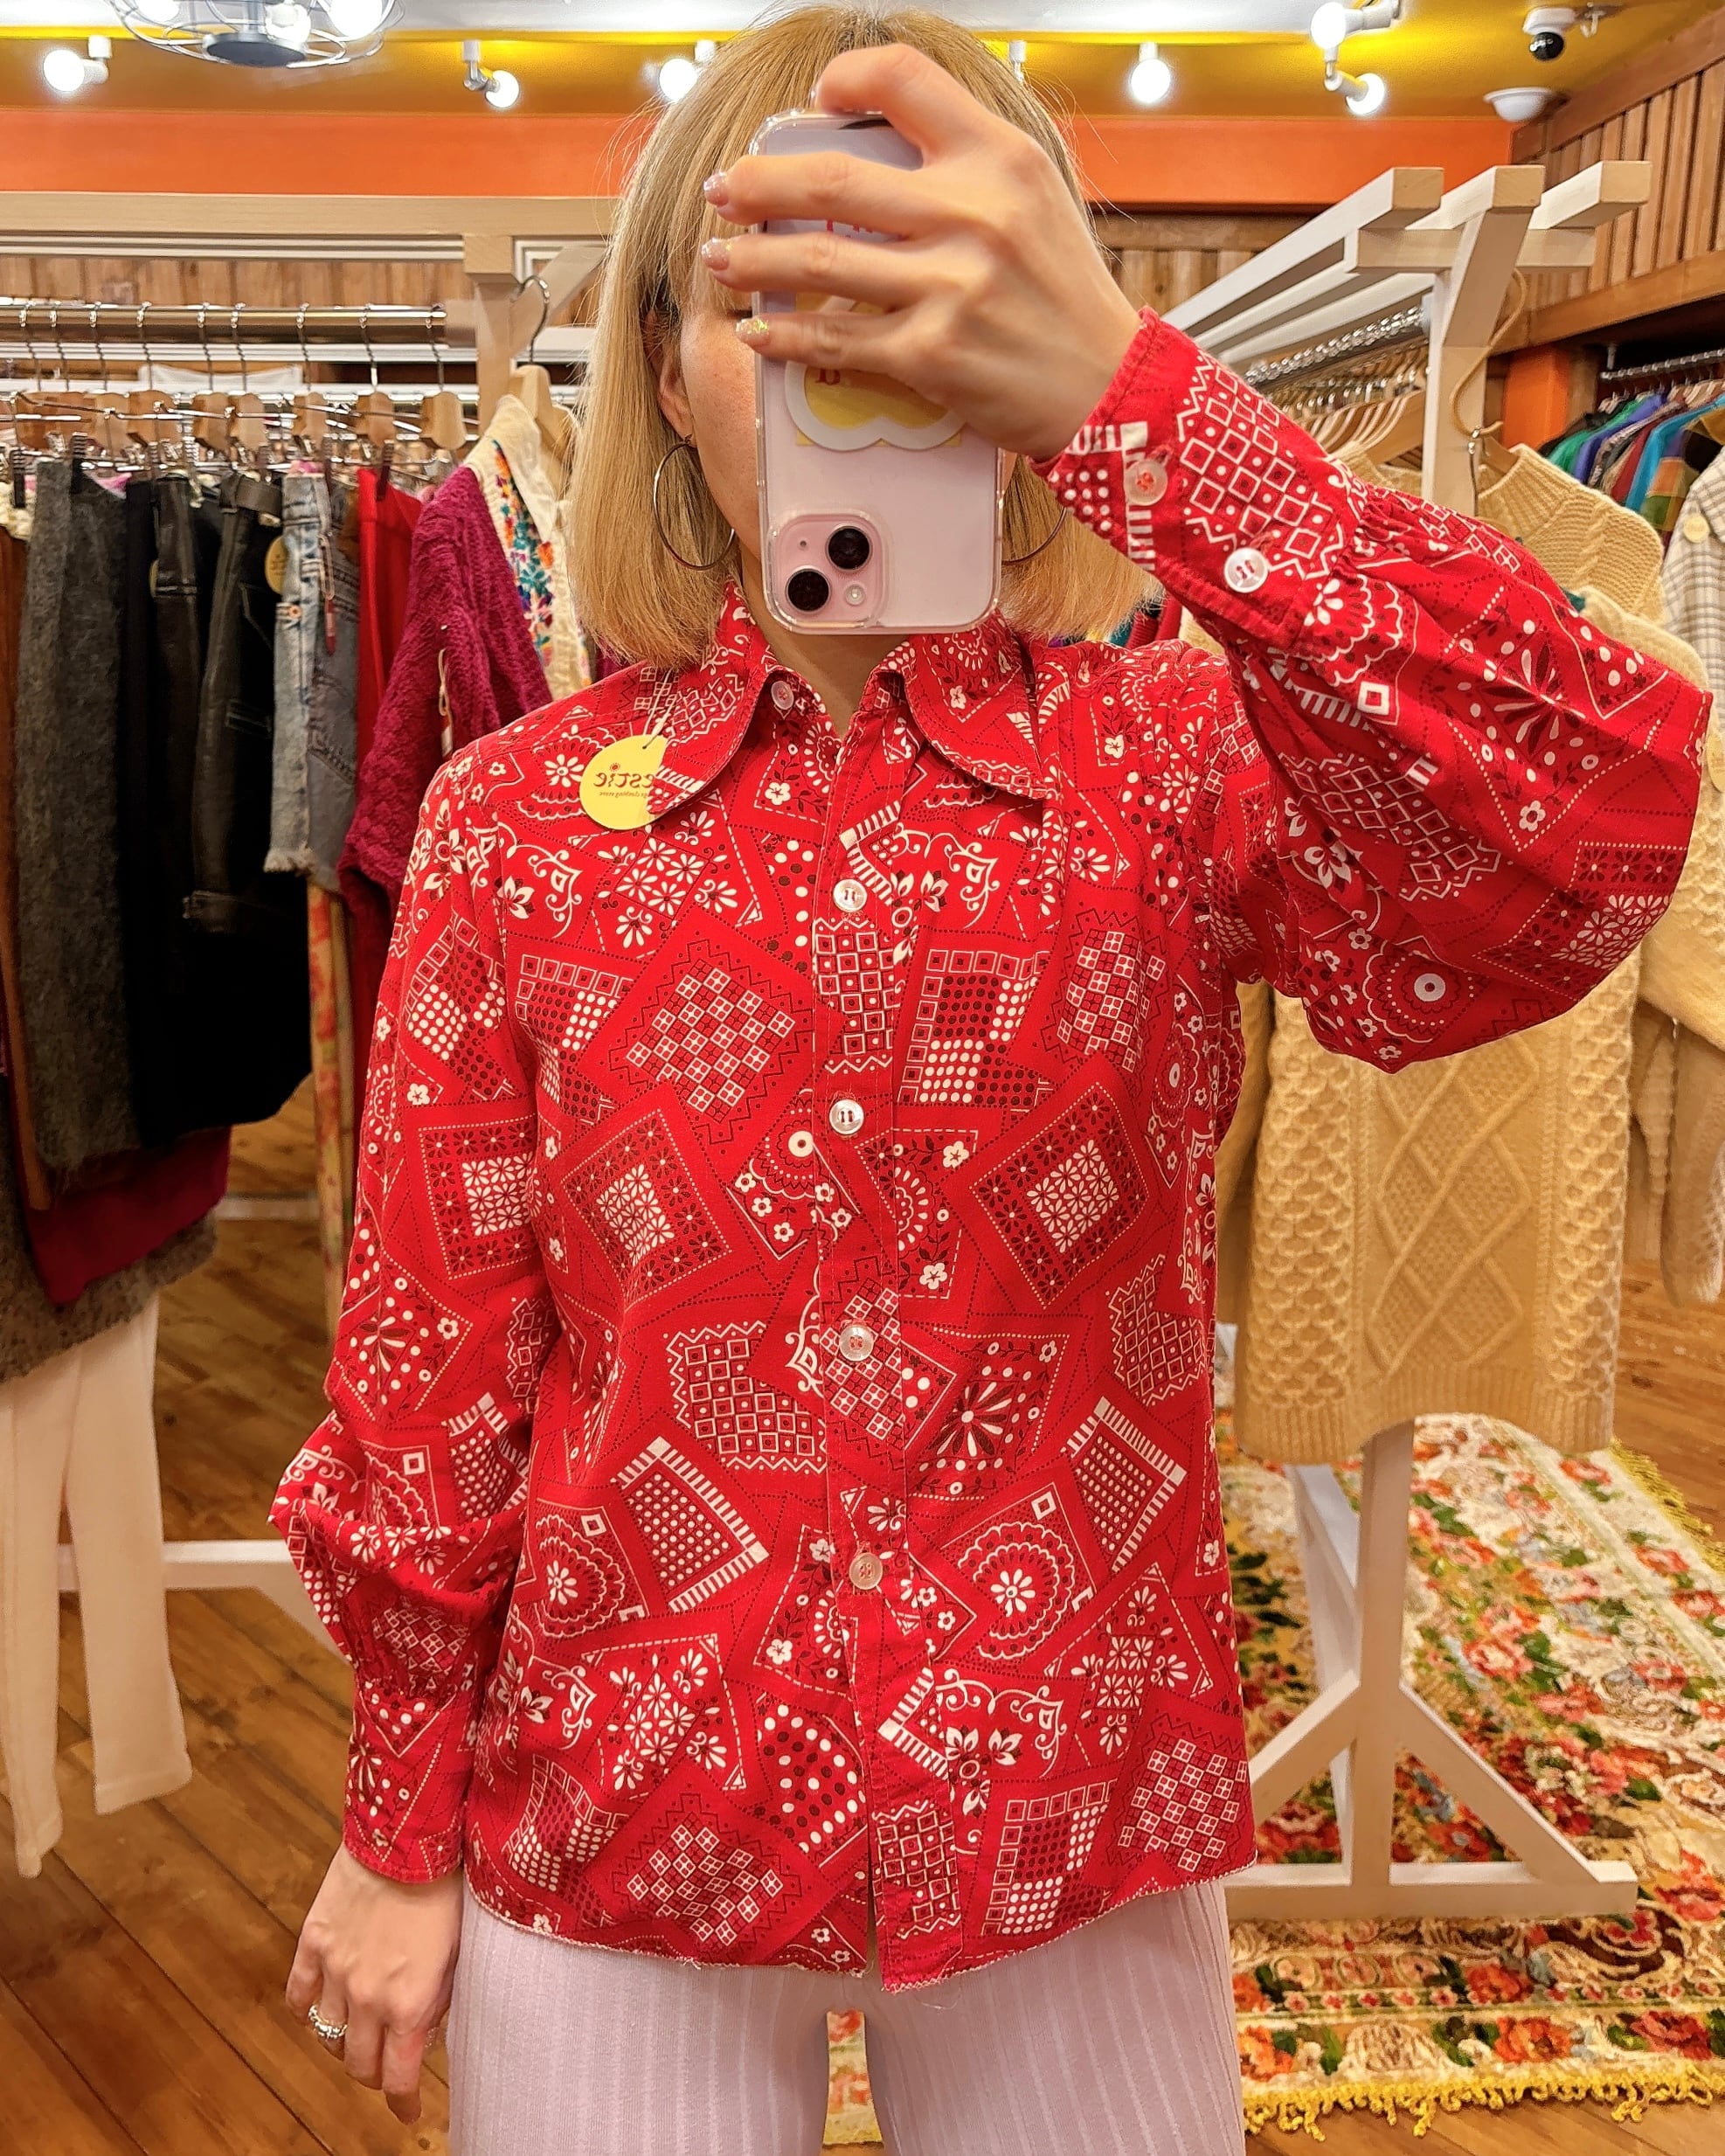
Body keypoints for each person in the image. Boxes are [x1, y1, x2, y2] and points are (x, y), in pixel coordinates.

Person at [270, 9, 1710, 2154]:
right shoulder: (521, 823)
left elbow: (1591, 825)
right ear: (665, 362)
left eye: (926, 291)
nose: (859, 358)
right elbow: (436, 1362)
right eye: (780, 298)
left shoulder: (1174, 766)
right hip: (626, 1785)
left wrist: (1143, 404)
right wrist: (399, 1819)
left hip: (1069, 1788)